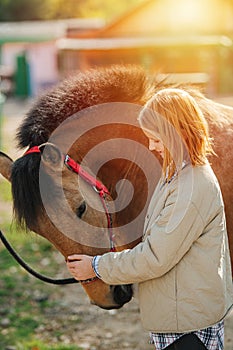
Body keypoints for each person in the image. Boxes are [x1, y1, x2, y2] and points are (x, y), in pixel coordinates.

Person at [66, 88, 233, 350]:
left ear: (176, 135)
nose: (151, 147)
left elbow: (155, 257)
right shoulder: (176, 174)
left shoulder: (191, 188)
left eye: (156, 139)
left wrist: (96, 267)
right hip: (178, 316)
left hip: (187, 327)